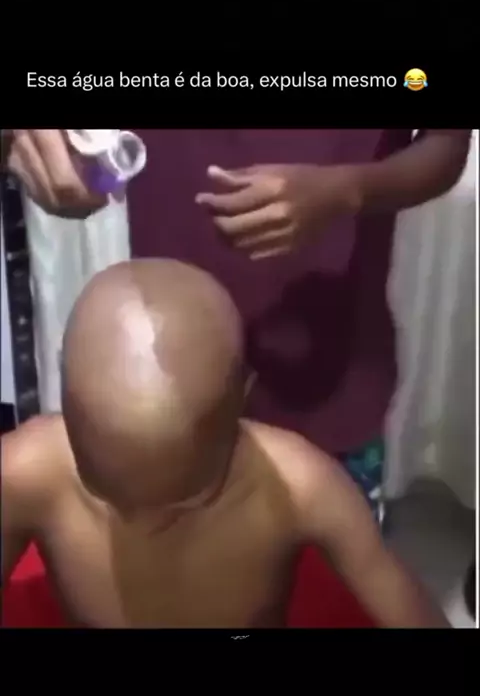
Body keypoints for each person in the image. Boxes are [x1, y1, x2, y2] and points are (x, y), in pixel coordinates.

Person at [4, 128, 472, 520]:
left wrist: (347, 190)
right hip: (172, 382)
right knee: (175, 572)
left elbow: (447, 144)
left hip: (333, 373)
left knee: (331, 572)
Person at [1, 259, 449, 628]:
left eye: (186, 500)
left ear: (242, 400)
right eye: (104, 493)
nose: (148, 524)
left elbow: (396, 595)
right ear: (63, 397)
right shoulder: (25, 471)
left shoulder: (300, 486)